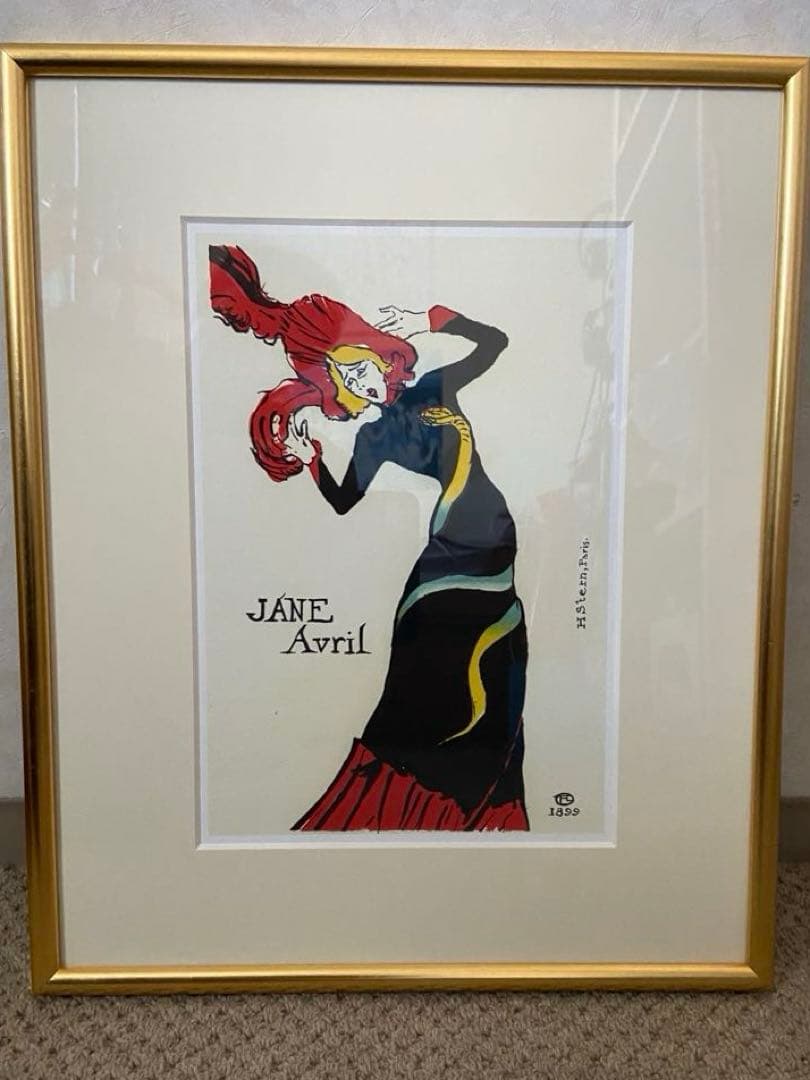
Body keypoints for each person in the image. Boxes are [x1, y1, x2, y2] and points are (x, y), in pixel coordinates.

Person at [210, 244, 529, 831]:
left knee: (496, 679)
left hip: (487, 548)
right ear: (332, 382)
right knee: (447, 684)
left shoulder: (433, 388)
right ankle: (415, 806)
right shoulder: (373, 439)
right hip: (449, 561)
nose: (366, 381)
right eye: (347, 376)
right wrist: (311, 460)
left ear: (373, 349)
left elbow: (495, 342)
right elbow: (343, 500)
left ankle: (484, 814)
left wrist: (428, 319)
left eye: (362, 364)